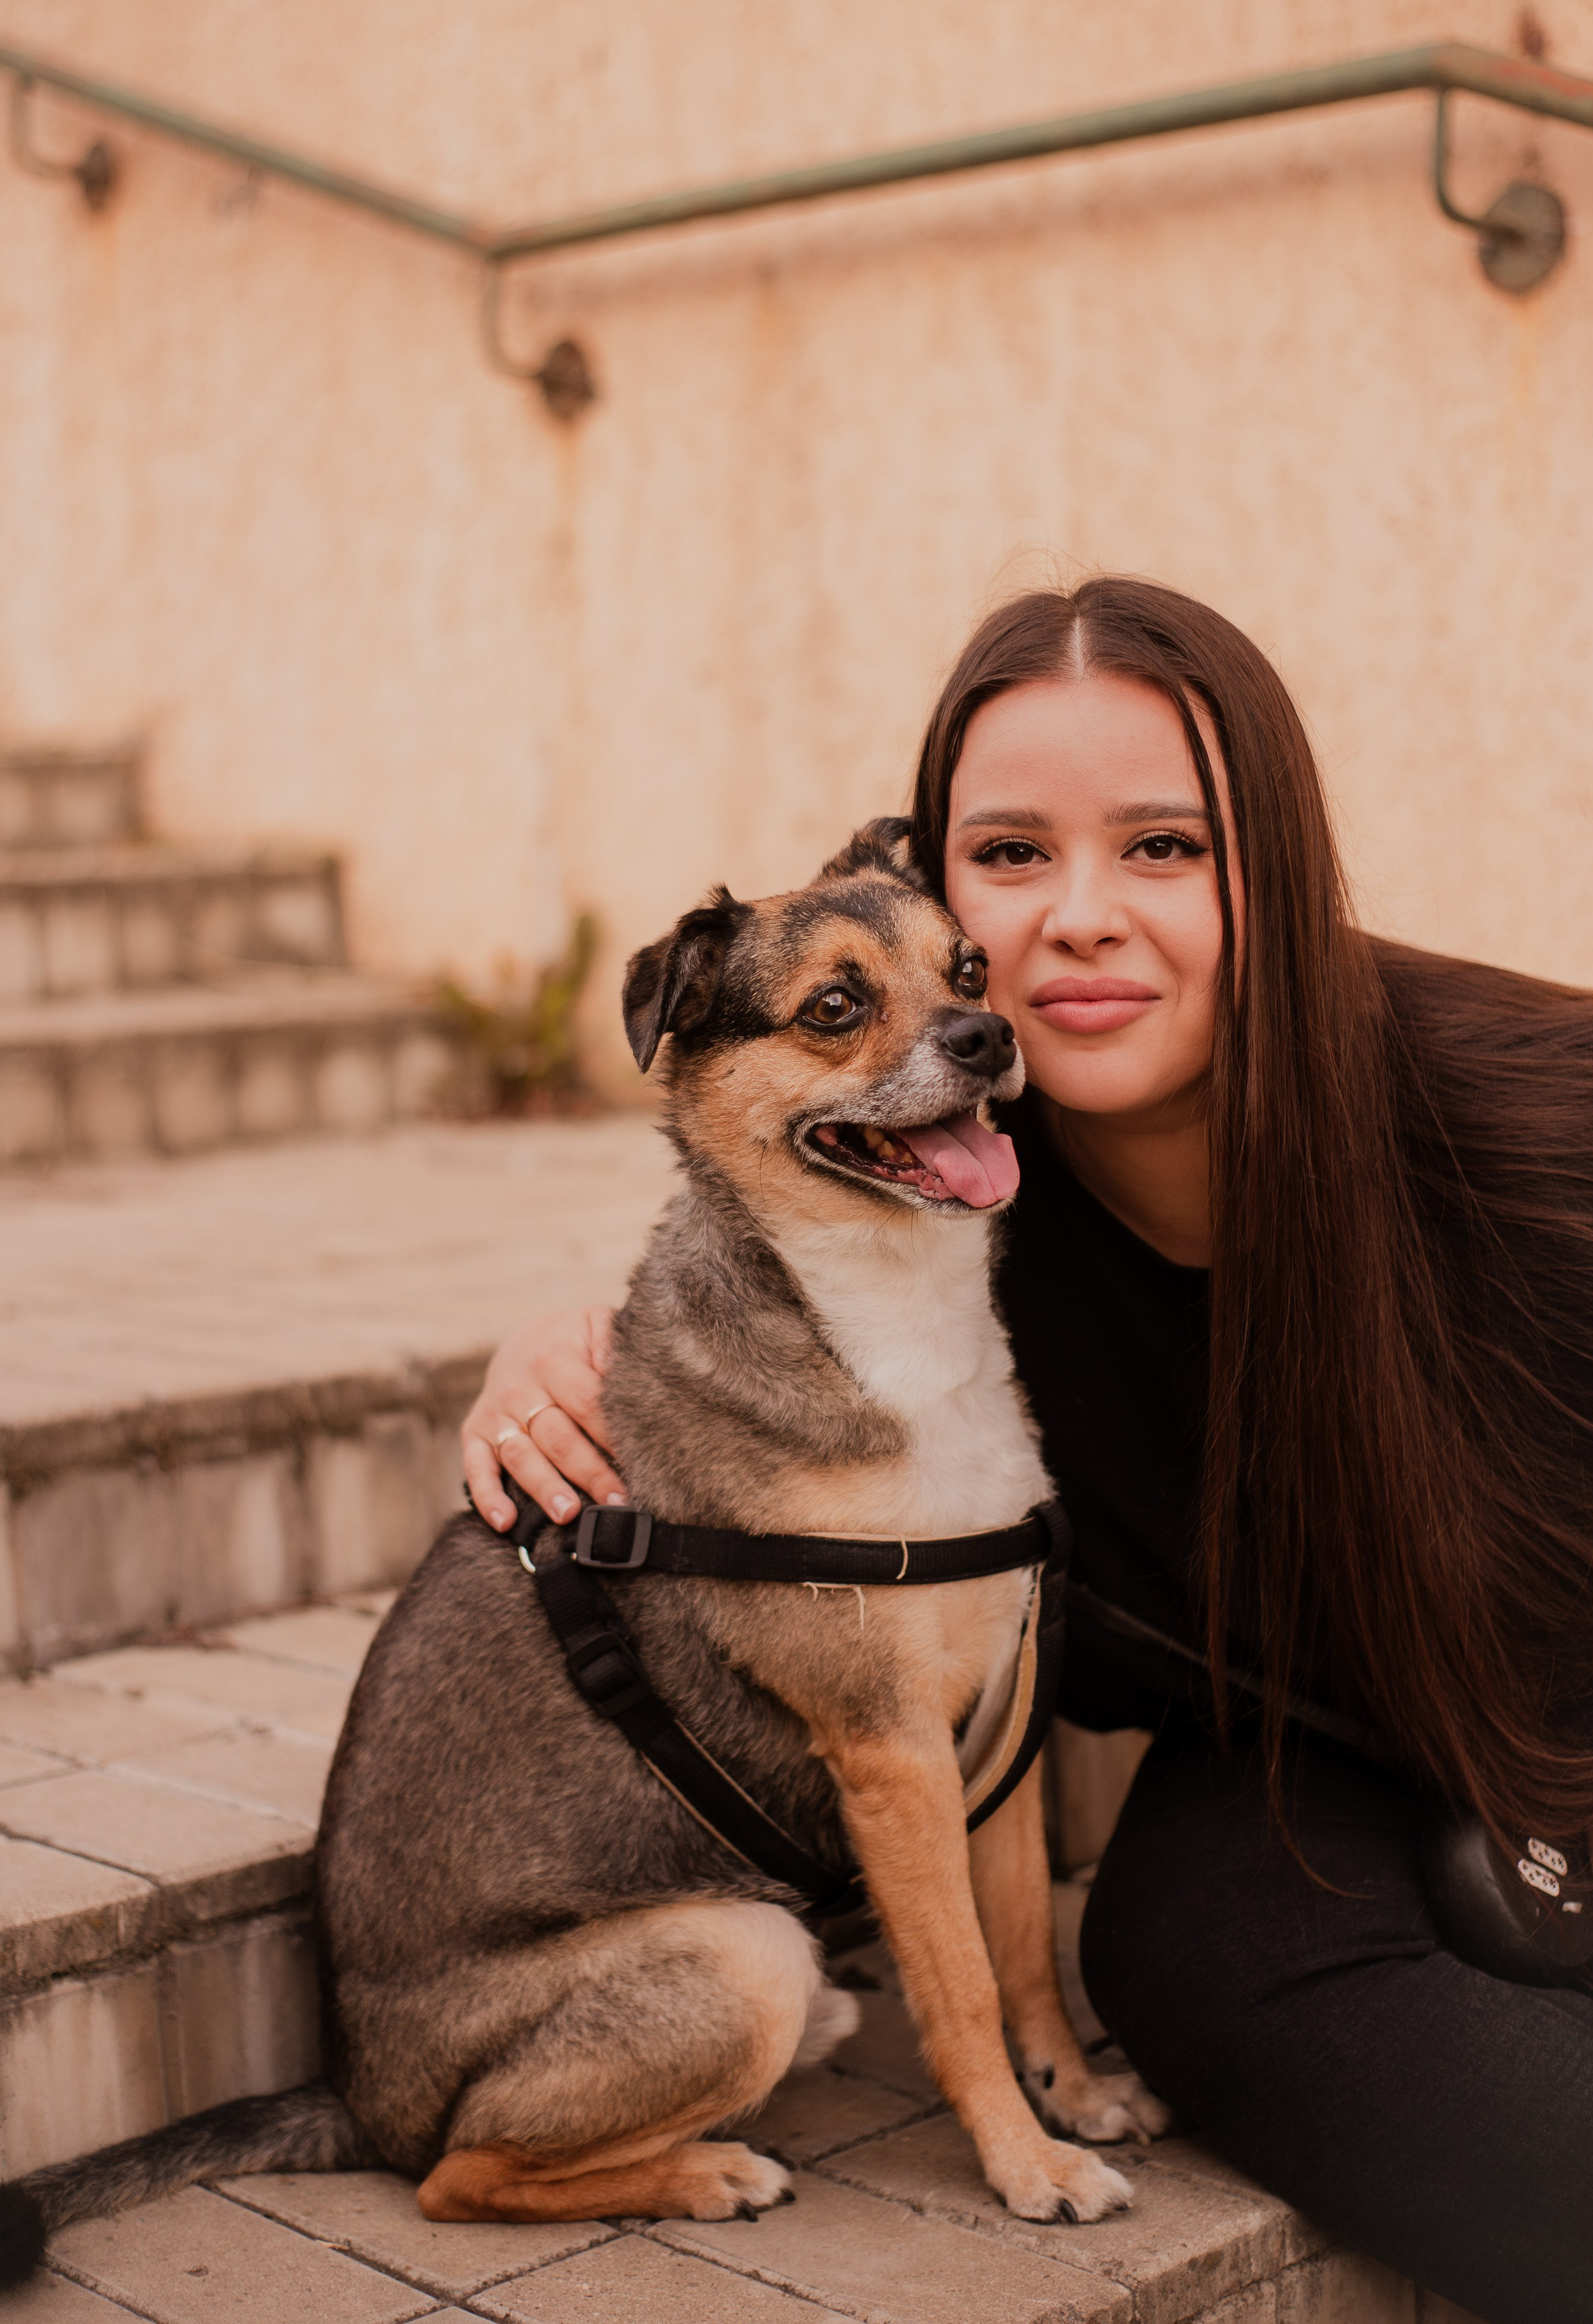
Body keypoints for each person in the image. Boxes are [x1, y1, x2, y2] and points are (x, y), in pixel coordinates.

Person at [461, 579, 1593, 2323]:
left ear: (1277, 872)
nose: (1078, 918)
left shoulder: (1538, 1124)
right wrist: (567, 1359)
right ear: (941, 895)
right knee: (1190, 1946)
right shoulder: (941, 1215)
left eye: (1165, 848)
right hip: (1334, 1734)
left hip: (1549, 1696)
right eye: (1008, 854)